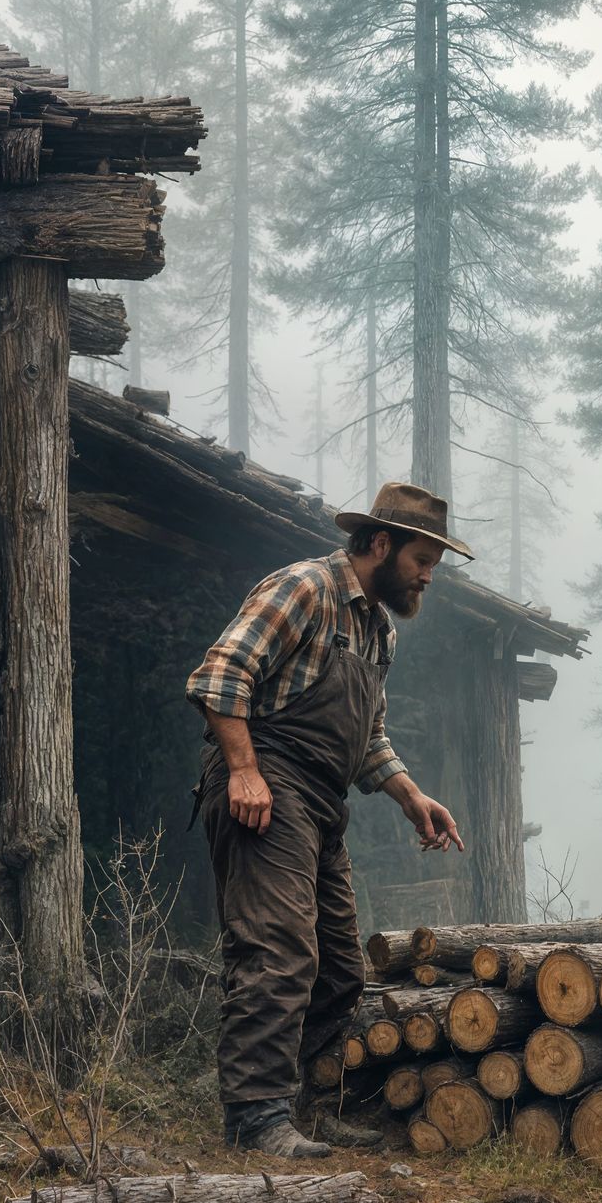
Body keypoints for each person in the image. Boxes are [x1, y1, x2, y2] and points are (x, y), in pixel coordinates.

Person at [186, 482, 472, 1157]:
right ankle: (256, 1120)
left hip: (320, 799)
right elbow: (220, 676)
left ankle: (311, 1110)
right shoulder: (305, 588)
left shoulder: (377, 630)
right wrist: (245, 772)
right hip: (267, 779)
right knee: (280, 949)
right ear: (381, 543)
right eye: (423, 558)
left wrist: (413, 799)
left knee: (341, 966)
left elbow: (370, 739)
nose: (429, 574)